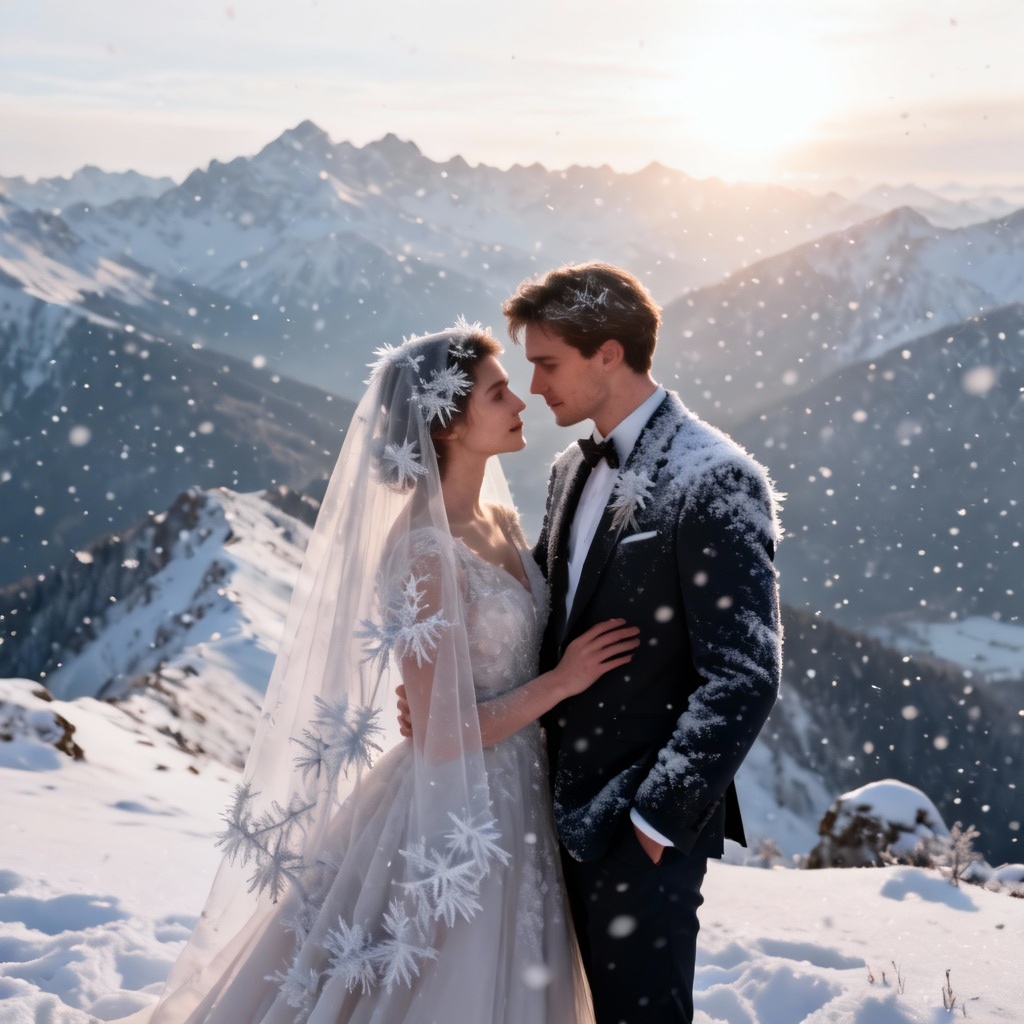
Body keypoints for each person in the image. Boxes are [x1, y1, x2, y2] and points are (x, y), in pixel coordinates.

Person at [123, 322, 640, 1024]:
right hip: (462, 810)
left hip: (524, 791)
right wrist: (562, 683)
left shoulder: (499, 520)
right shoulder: (423, 552)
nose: (520, 401)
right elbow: (438, 734)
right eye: (496, 393)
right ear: (449, 426)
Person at [502, 262, 783, 1024]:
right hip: (546, 817)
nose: (534, 389)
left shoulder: (717, 478)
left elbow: (744, 673)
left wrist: (653, 822)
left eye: (547, 365)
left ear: (610, 353)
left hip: (637, 833)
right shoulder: (568, 469)